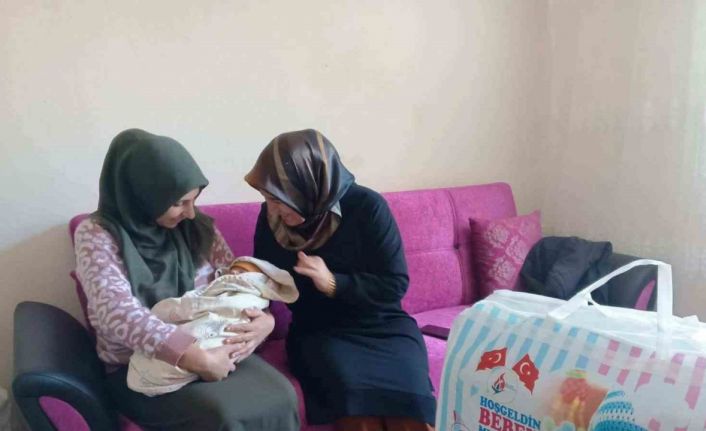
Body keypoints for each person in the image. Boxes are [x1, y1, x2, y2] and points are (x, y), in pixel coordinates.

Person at [73, 128, 299, 430]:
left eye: (194, 200)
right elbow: (116, 312)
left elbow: (235, 282)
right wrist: (195, 358)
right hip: (141, 367)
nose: (191, 213)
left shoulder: (197, 227)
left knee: (282, 396)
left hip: (212, 343)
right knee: (225, 416)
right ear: (144, 195)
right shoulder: (97, 235)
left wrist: (264, 323)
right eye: (180, 202)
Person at [245, 129, 436, 431]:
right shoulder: (271, 219)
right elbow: (262, 279)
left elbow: (394, 284)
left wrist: (333, 282)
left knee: (411, 408)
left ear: (309, 184)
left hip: (383, 327)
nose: (274, 209)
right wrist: (262, 316)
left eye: (281, 198)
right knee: (357, 406)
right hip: (320, 331)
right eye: (268, 198)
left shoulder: (367, 207)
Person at [127, 256, 298, 396]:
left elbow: (245, 296)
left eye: (241, 272)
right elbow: (130, 319)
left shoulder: (208, 238)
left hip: (225, 348)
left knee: (281, 395)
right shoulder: (114, 247)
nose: (234, 274)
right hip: (161, 343)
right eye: (234, 271)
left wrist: (268, 321)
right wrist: (201, 360)